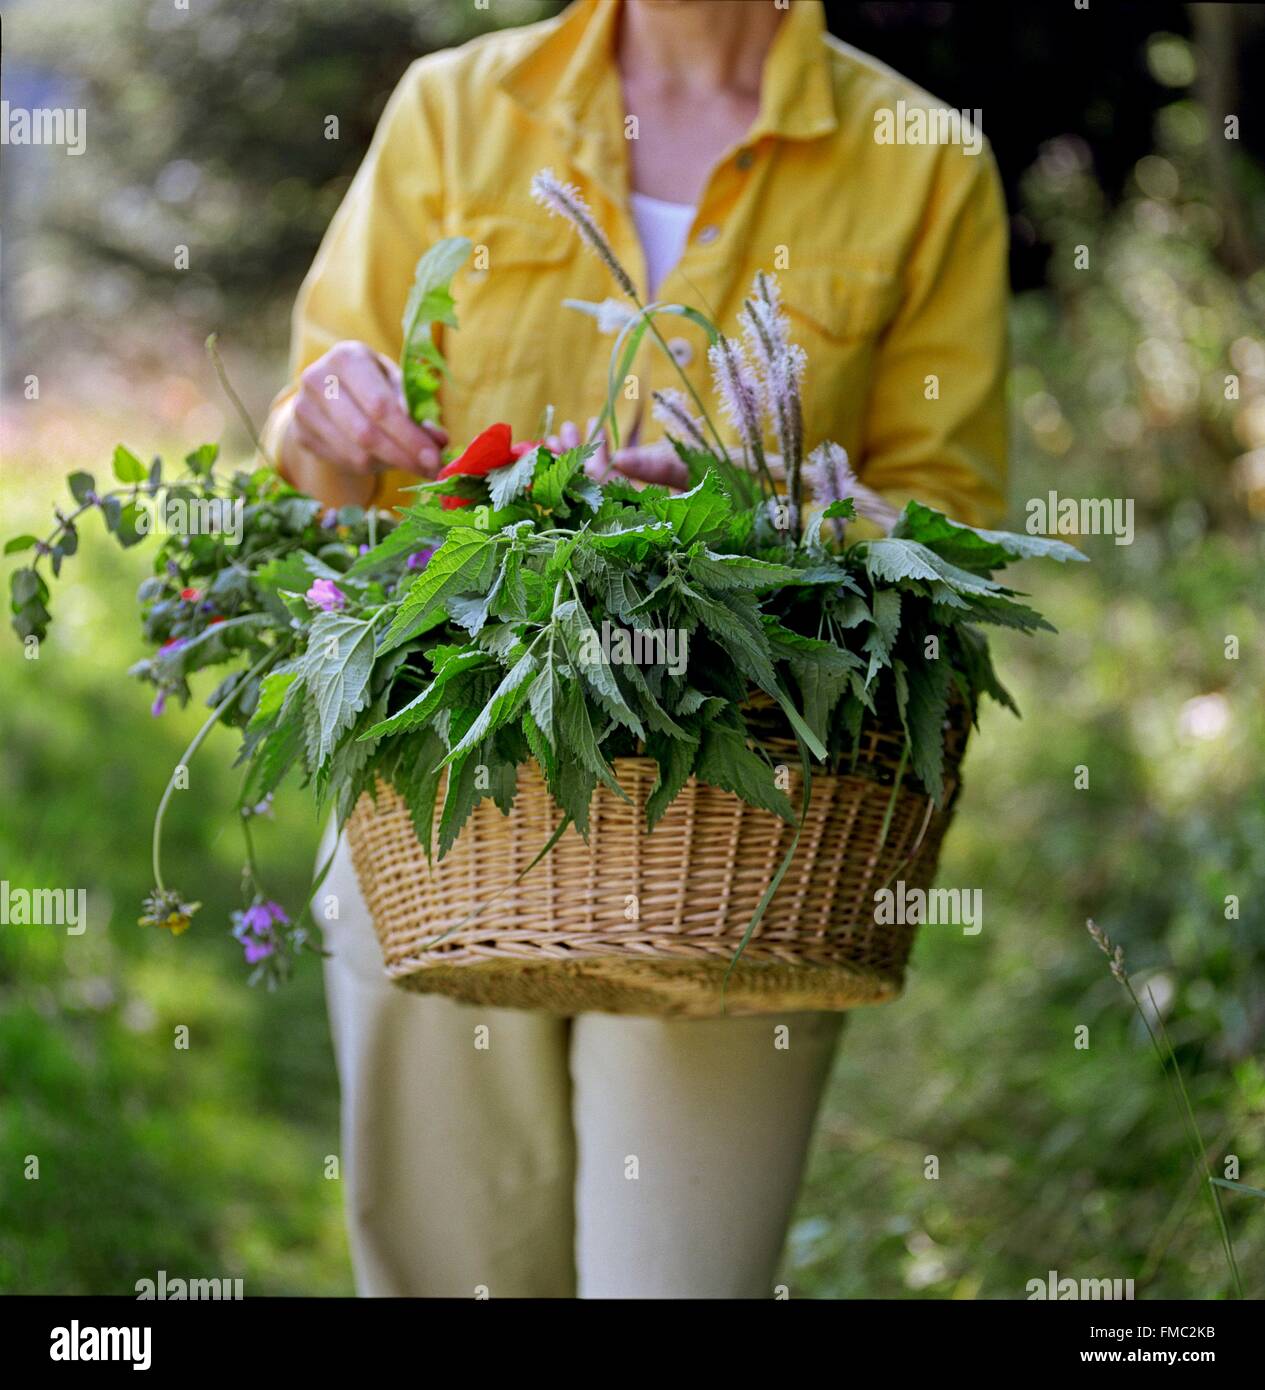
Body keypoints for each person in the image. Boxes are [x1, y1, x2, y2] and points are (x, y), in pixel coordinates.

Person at [262, 0, 1008, 1298]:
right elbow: (319, 462)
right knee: (452, 1269)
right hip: (441, 792)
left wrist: (760, 507)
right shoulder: (456, 108)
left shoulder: (922, 157)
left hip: (744, 821)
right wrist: (319, 418)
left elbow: (953, 527)